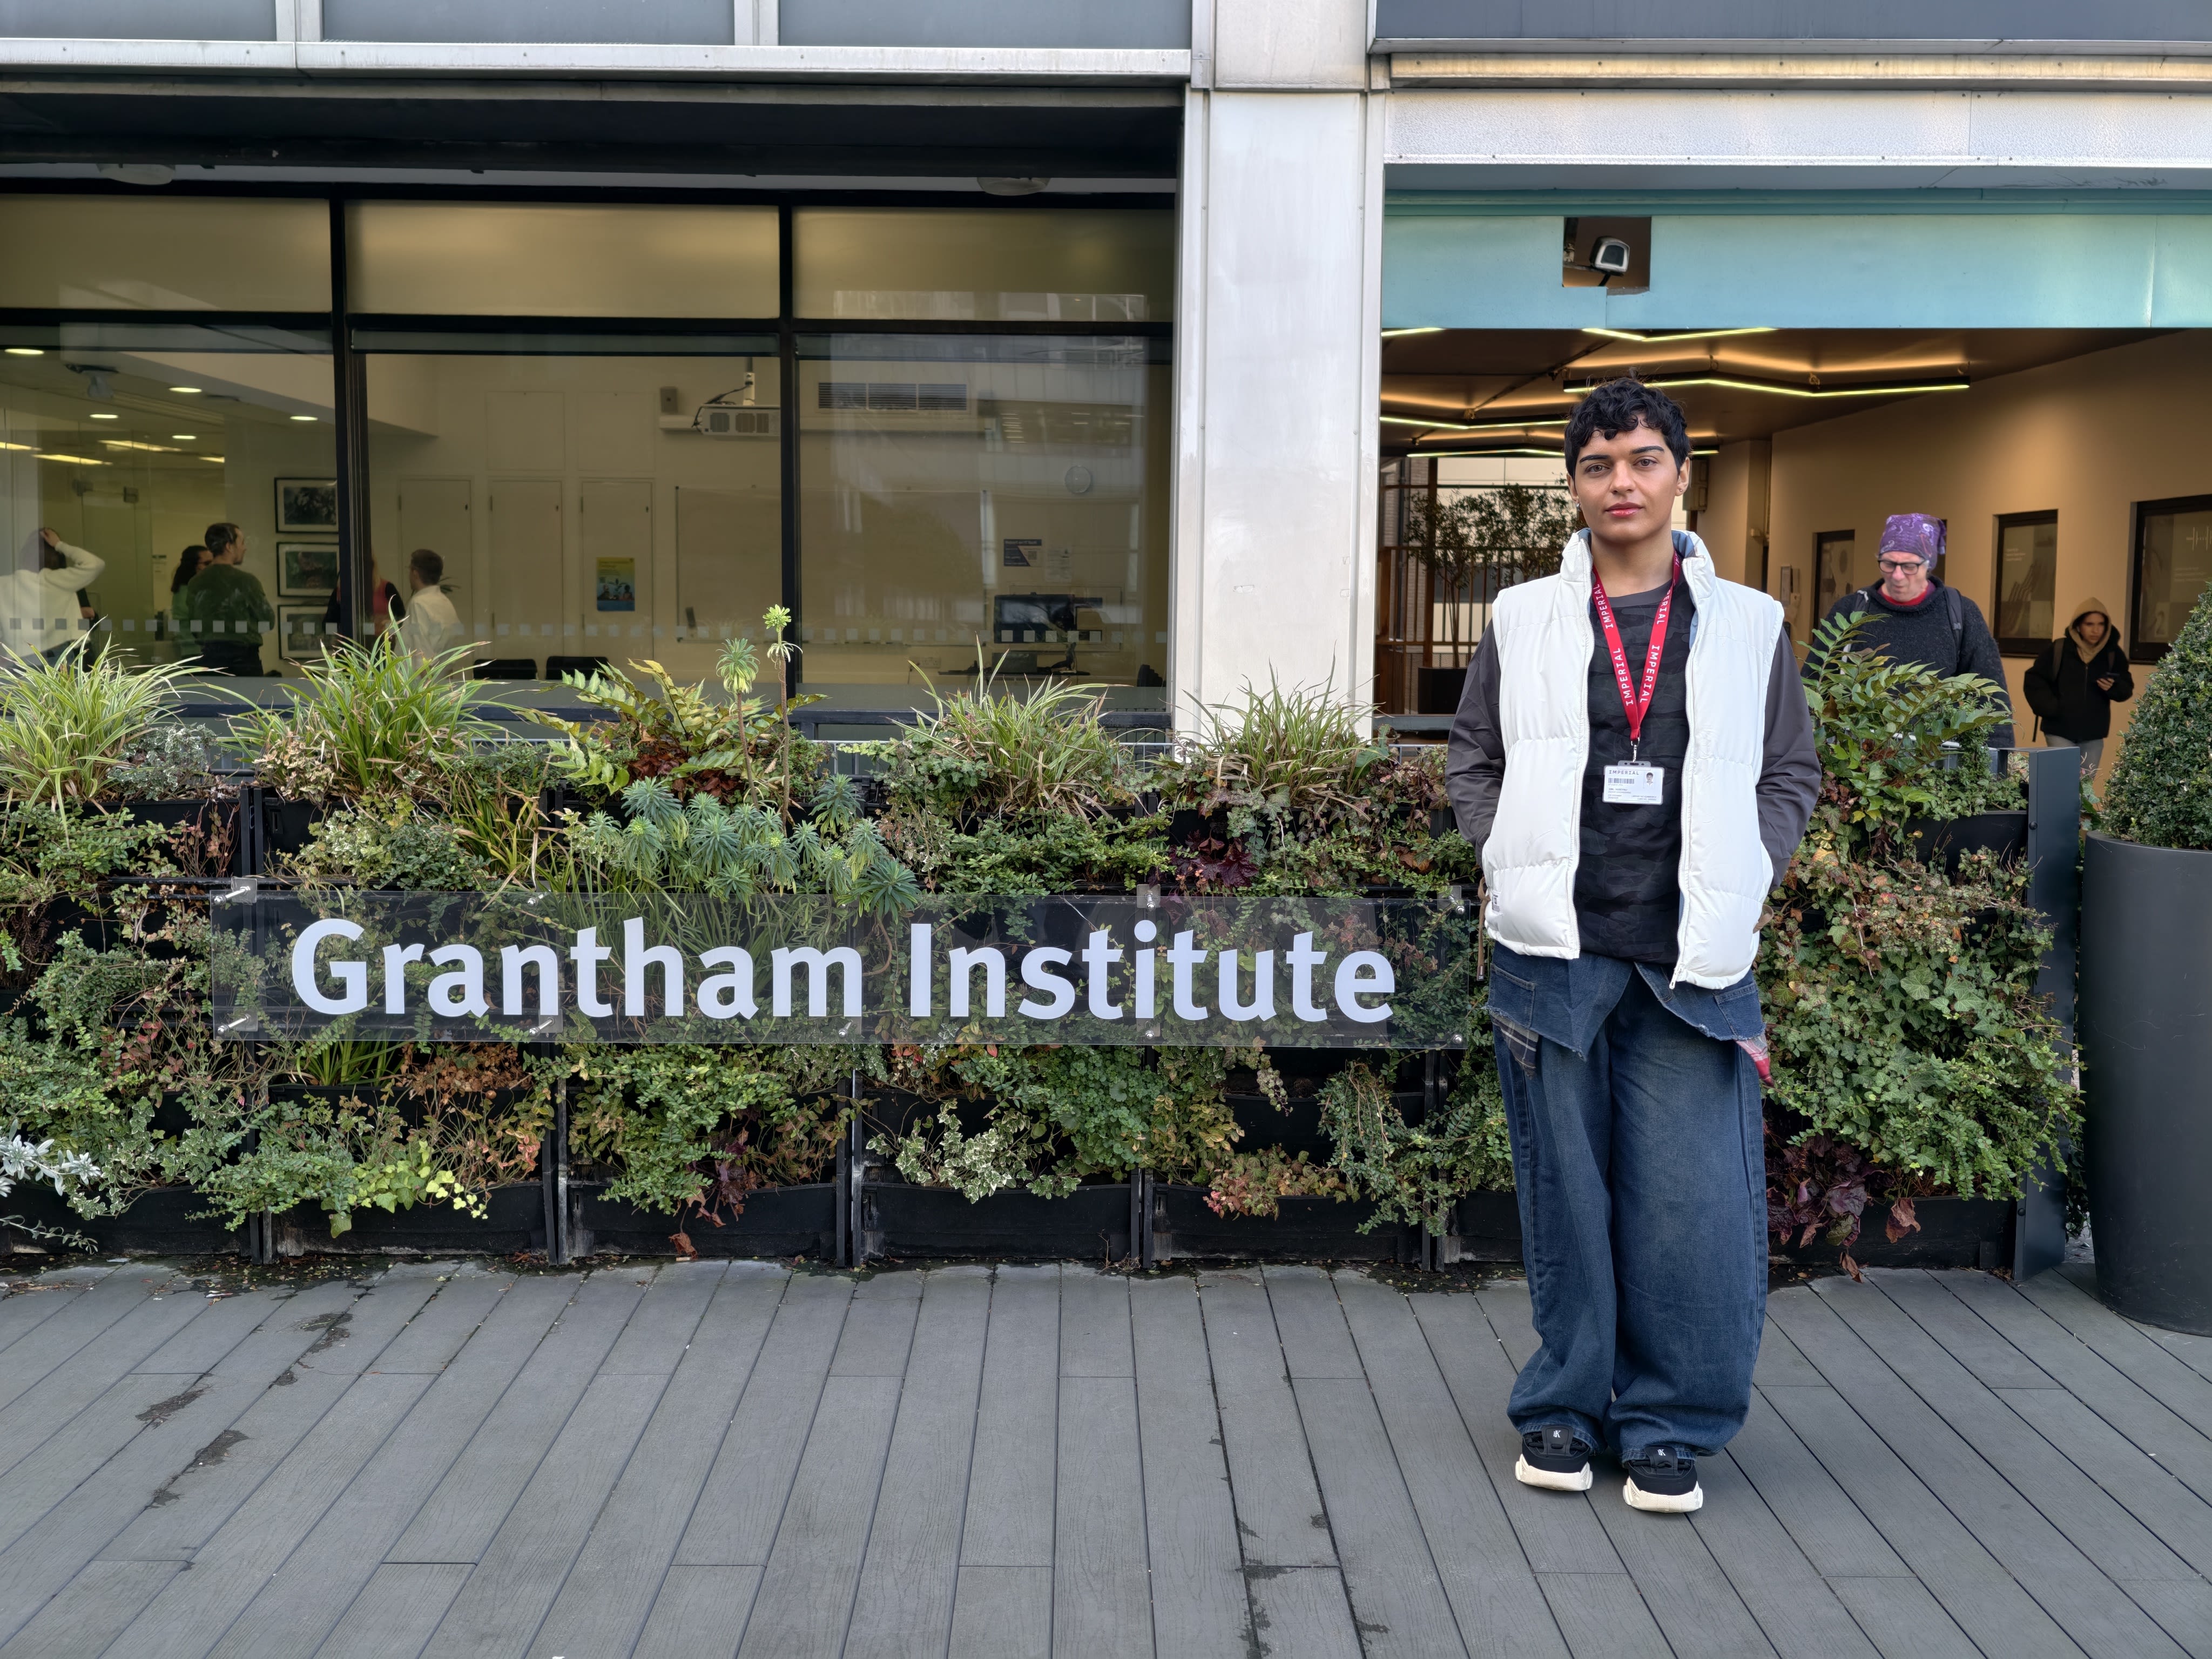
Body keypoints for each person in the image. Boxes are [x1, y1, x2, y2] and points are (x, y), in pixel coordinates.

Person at [1447, 377, 1821, 1515]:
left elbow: (1786, 772)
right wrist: (1503, 849)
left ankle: (1668, 1423)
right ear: (1572, 484)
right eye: (1598, 463)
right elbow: (1472, 760)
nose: (1621, 482)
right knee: (1566, 1200)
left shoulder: (1748, 624)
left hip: (1687, 964)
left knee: (1689, 1208)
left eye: (1642, 460)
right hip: (1554, 953)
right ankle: (1563, 1409)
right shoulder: (1521, 617)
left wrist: (1747, 869)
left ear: (1679, 475)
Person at [1821, 514, 2014, 746]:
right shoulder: (1851, 610)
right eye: (1889, 564)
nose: (1898, 575)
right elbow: (1814, 684)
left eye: (1909, 566)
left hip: (1938, 762)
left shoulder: (1960, 613)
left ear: (1928, 565)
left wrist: (1998, 765)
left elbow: (1992, 697)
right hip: (1857, 762)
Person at [2023, 598, 2134, 779]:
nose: (2095, 630)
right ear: (2078, 626)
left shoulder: (2113, 654)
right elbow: (2034, 679)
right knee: (2062, 780)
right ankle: (2056, 809)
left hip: (2094, 733)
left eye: (2100, 624)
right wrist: (2051, 708)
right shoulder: (2059, 649)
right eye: (2089, 624)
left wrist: (2113, 687)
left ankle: (2076, 809)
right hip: (2059, 729)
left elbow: (2126, 687)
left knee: (2085, 786)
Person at [176, 521, 275, 676]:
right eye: (241, 542)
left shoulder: (196, 582)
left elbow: (194, 624)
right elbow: (268, 620)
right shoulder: (247, 581)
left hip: (209, 659)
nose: (245, 548)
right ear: (229, 546)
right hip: (245, 660)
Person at [0, 527, 104, 663]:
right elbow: (95, 564)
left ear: (24, 554)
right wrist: (59, 545)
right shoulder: (58, 580)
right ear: (57, 556)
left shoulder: (4, 584)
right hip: (57, 654)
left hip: (18, 655)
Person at [396, 548, 462, 664]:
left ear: (415, 573)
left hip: (421, 680)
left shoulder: (418, 604)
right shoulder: (446, 603)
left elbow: (422, 653)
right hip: (442, 676)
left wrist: (427, 682)